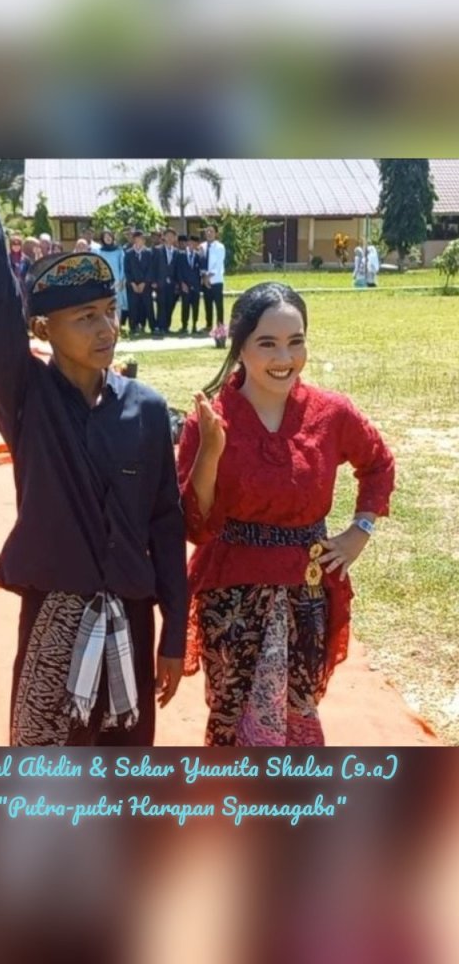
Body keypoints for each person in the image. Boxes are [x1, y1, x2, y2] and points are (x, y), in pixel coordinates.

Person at [0, 159, 187, 747]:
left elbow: (165, 523)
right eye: (85, 317)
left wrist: (173, 632)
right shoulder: (26, 398)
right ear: (42, 330)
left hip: (131, 619)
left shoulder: (147, 409)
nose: (106, 328)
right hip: (53, 619)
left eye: (110, 311)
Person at [177, 282, 395, 747]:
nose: (284, 358)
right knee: (234, 717)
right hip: (232, 596)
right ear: (240, 346)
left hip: (307, 591)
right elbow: (195, 525)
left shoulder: (331, 413)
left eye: (296, 342)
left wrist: (360, 530)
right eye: (267, 343)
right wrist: (210, 452)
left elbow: (378, 463)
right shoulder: (210, 419)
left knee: (298, 714)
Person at [123, 229, 156, 336]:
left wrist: (144, 283)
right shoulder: (128, 253)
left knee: (148, 306)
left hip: (145, 285)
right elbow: (126, 270)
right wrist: (132, 283)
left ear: (144, 240)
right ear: (134, 240)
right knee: (133, 307)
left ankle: (153, 327)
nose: (138, 241)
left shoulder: (149, 253)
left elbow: (151, 269)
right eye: (136, 239)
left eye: (140, 239)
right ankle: (133, 327)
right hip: (132, 285)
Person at [151, 227, 179, 334]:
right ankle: (160, 326)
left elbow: (177, 269)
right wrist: (153, 281)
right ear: (164, 237)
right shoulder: (157, 250)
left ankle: (167, 326)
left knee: (170, 304)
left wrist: (177, 283)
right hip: (160, 282)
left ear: (175, 238)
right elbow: (153, 266)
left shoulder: (176, 252)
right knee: (161, 304)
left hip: (172, 283)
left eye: (172, 236)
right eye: (168, 236)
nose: (170, 238)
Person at [99, 228, 127, 328]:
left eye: (109, 236)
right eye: (105, 237)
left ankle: (117, 326)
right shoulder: (99, 252)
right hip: (104, 282)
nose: (108, 239)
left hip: (117, 281)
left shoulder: (119, 251)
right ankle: (109, 326)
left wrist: (121, 280)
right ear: (102, 239)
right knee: (106, 304)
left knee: (117, 304)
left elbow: (123, 265)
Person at [200, 224, 225, 331]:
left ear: (216, 234)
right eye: (207, 231)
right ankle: (209, 325)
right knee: (207, 303)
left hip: (216, 280)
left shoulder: (220, 247)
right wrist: (204, 276)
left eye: (211, 231)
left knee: (218, 304)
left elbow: (218, 264)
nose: (209, 233)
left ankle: (220, 326)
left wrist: (208, 277)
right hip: (205, 280)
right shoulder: (202, 246)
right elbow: (201, 263)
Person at [176, 234, 202, 335]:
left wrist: (198, 285)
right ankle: (184, 326)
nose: (192, 245)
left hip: (195, 286)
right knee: (185, 306)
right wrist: (182, 283)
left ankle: (195, 325)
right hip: (185, 285)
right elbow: (178, 271)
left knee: (195, 306)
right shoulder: (181, 255)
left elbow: (200, 271)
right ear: (187, 243)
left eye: (194, 244)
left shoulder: (198, 256)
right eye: (190, 243)